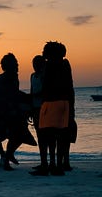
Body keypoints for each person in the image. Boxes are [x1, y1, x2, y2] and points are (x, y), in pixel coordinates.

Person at [30, 41, 75, 176]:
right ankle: (58, 166)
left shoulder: (49, 66)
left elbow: (46, 87)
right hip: (64, 104)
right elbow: (70, 87)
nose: (43, 52)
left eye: (45, 51)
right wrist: (71, 107)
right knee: (60, 136)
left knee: (47, 136)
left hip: (50, 103)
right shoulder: (65, 64)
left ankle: (48, 166)